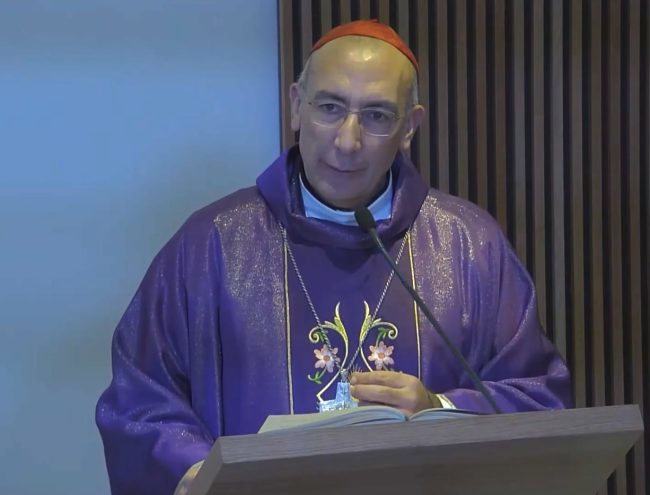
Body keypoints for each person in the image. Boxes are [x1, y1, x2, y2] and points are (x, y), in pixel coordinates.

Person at [96, 19, 572, 495]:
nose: (348, 142)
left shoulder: (468, 245)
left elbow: (538, 398)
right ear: (296, 106)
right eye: (330, 108)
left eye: (377, 116)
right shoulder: (213, 244)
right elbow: (141, 398)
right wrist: (194, 471)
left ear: (410, 128)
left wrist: (441, 410)